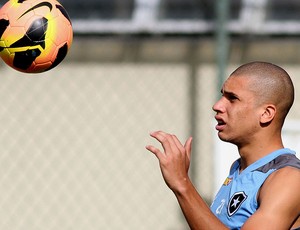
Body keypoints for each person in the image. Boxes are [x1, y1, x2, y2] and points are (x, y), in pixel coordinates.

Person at [146, 61, 300, 230]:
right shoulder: (239, 169)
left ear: (266, 114)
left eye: (232, 98)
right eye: (222, 96)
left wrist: (182, 184)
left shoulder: (289, 178)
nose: (217, 106)